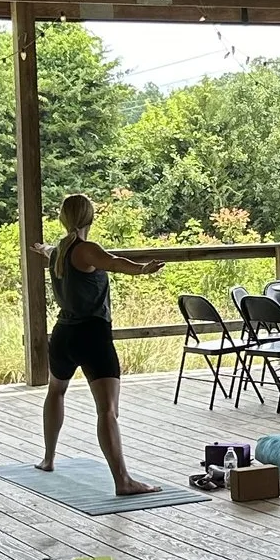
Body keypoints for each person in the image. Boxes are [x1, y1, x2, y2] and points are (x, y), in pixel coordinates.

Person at [33, 193, 162, 496]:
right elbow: (114, 263)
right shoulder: (86, 249)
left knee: (56, 391)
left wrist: (41, 249)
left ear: (63, 219)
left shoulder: (59, 252)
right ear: (90, 218)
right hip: (92, 336)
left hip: (63, 334)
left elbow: (49, 248)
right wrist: (143, 269)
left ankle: (48, 458)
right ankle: (123, 481)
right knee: (107, 411)